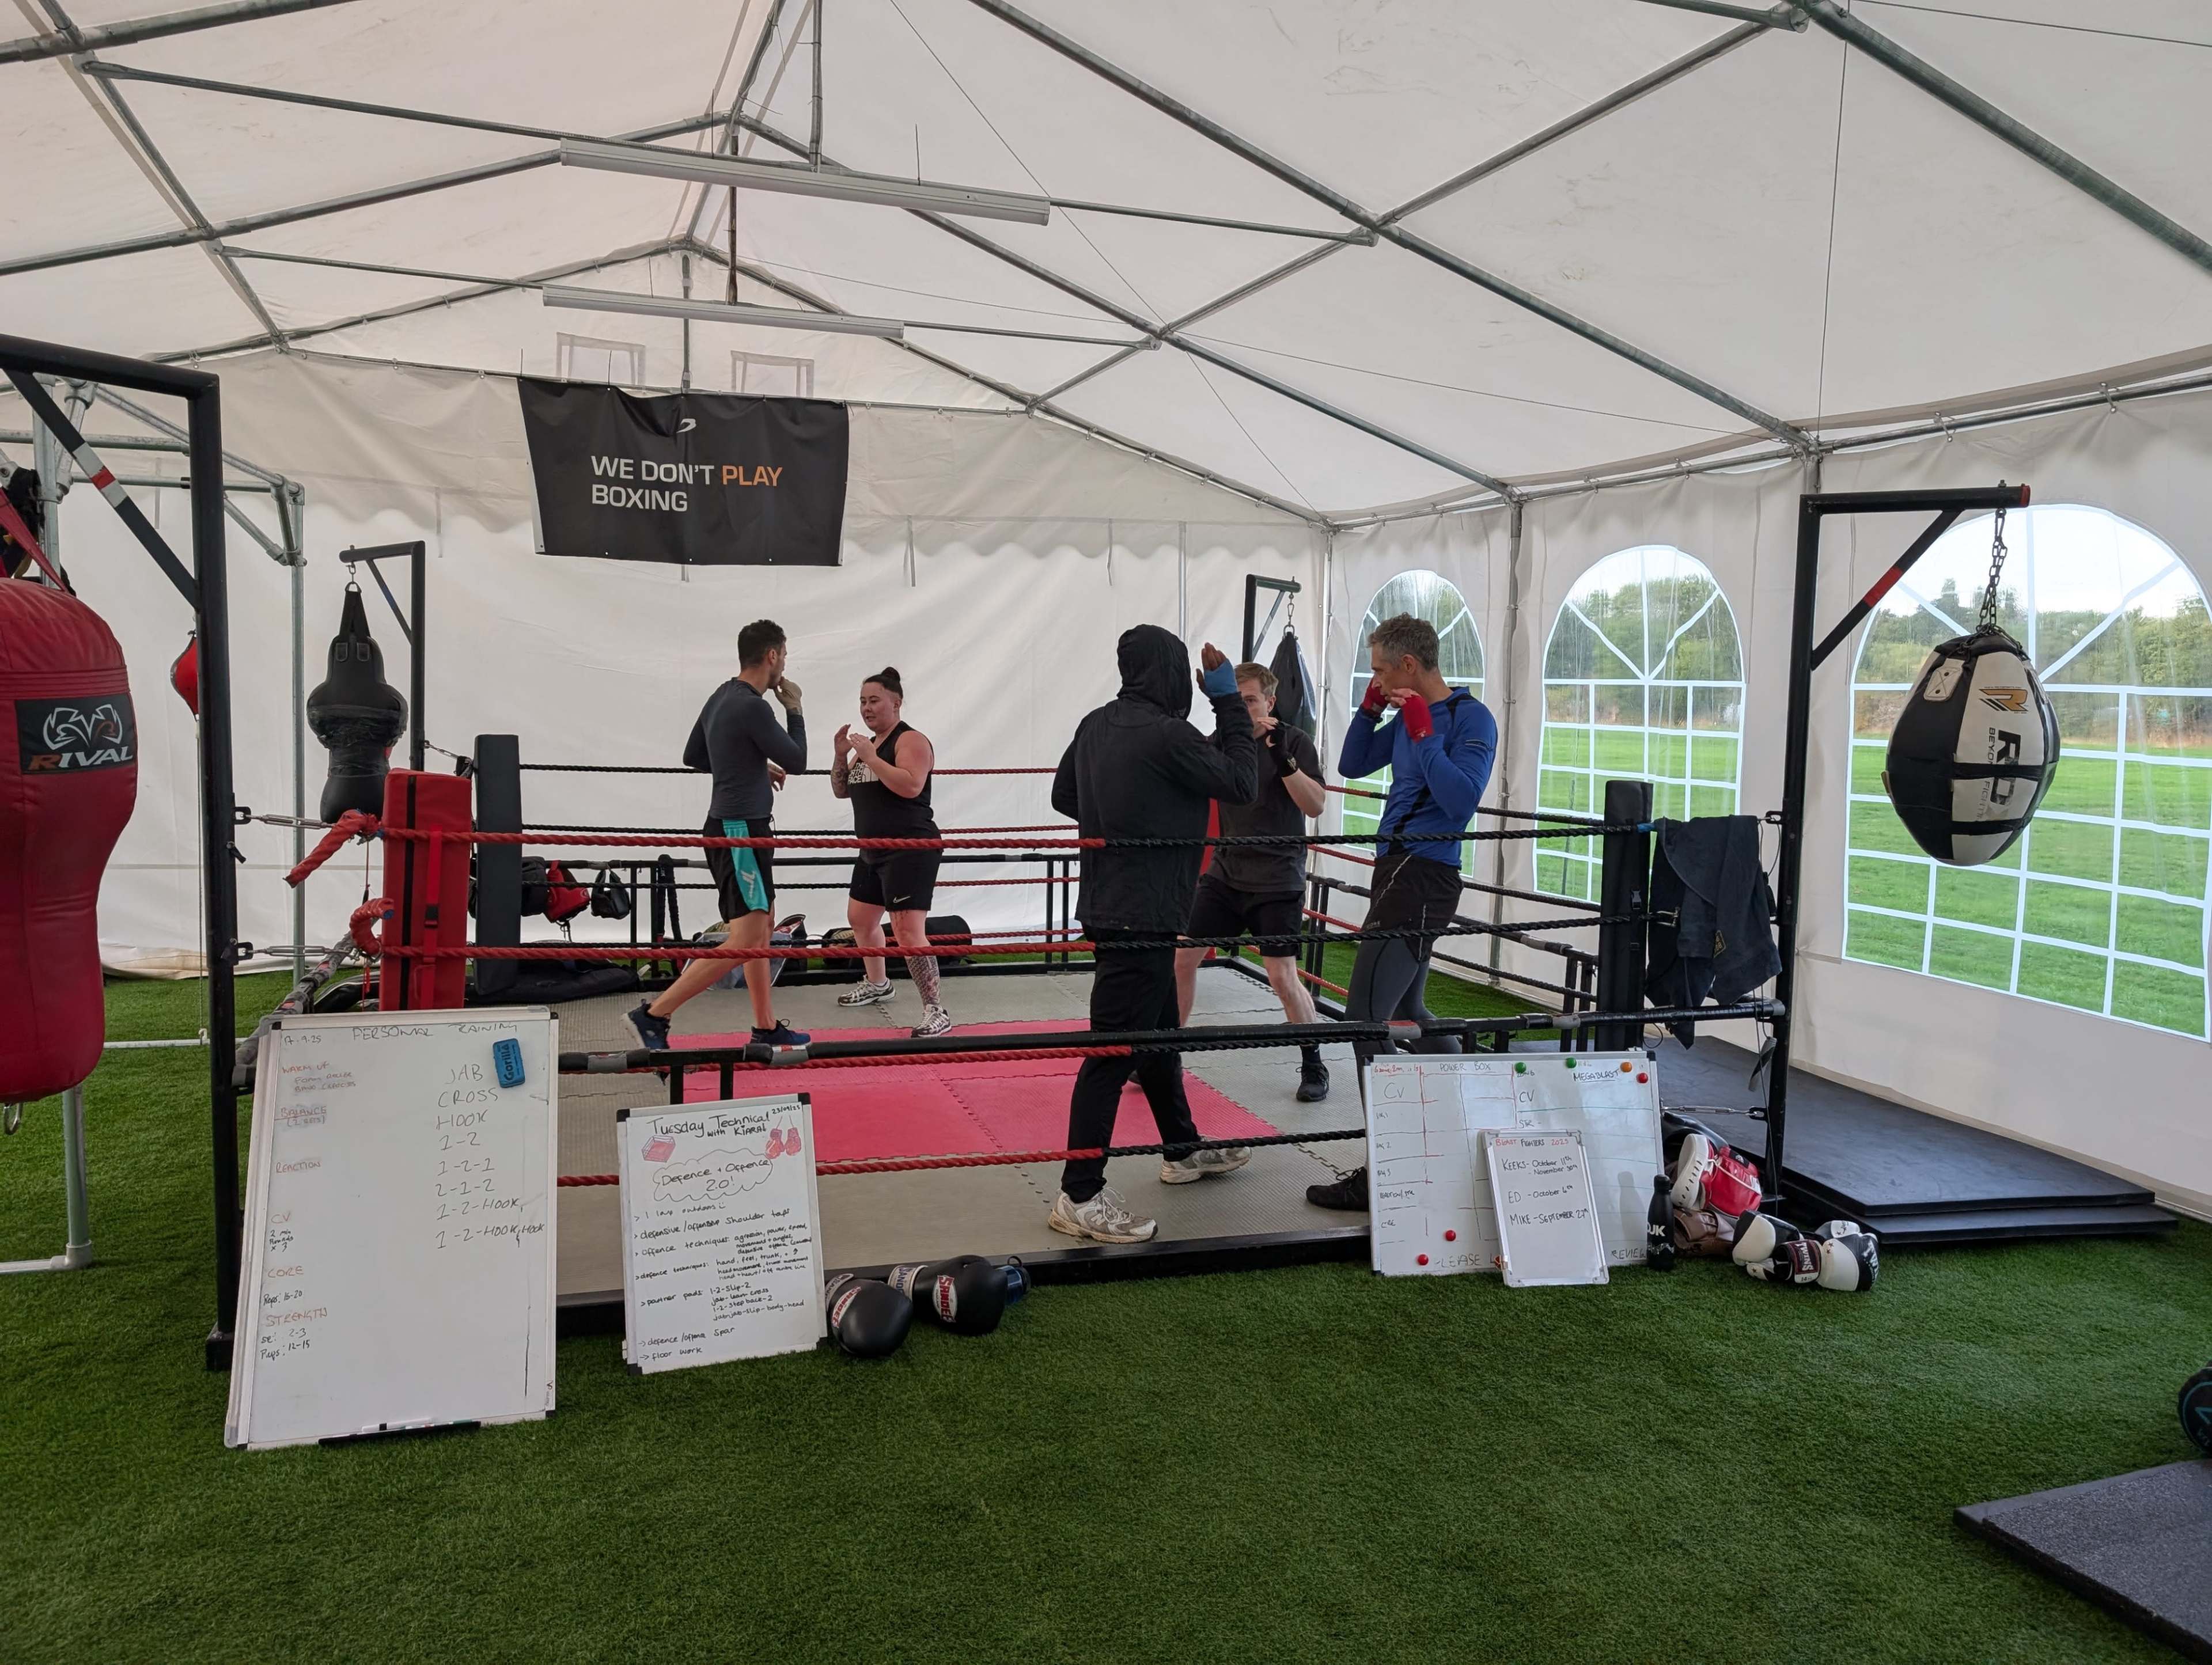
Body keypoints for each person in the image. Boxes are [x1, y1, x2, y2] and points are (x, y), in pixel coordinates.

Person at [1047, 624, 1259, 1244]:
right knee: (1111, 1053)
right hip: (1142, 911)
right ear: (1171, 672)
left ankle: (1183, 1147)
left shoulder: (1095, 724)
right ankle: (1078, 1192)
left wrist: (1128, 809)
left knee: (1159, 1035)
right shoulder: (1170, 733)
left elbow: (1065, 793)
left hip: (1119, 904)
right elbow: (1241, 782)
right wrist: (1227, 701)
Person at [1306, 612, 1498, 1211]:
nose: (1378, 676)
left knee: (1366, 1018)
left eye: (1381, 668)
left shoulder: (1471, 718)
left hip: (1426, 873)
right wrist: (1369, 712)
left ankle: (1391, 1166)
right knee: (1409, 1007)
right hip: (1394, 869)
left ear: (1409, 665)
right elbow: (1351, 765)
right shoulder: (1406, 714)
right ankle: (1470, 1122)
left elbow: (1461, 800)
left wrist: (1423, 737)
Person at [624, 619, 809, 1053]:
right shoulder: (753, 706)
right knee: (746, 938)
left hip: (740, 826)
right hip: (738, 829)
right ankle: (653, 1014)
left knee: (762, 929)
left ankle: (765, 1027)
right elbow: (798, 760)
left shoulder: (721, 696)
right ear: (773, 656)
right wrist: (795, 707)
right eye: (785, 655)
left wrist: (749, 765)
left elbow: (694, 754)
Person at [1173, 662, 1331, 1102]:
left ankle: (1313, 1062)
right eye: (1235, 700)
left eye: (1250, 700)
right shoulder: (1225, 743)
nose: (1243, 709)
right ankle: (1164, 1054)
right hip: (1226, 872)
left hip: (1277, 877)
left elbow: (1316, 805)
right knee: (1182, 958)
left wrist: (1284, 760)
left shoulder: (1294, 741)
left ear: (1270, 702)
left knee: (1282, 977)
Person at [831, 667, 952, 1038]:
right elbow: (841, 790)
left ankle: (936, 1009)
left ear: (895, 703)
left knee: (907, 930)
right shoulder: (867, 747)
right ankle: (879, 983)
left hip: (909, 848)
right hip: (873, 849)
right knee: (861, 919)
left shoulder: (910, 740)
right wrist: (841, 755)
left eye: (874, 701)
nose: (867, 709)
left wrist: (871, 757)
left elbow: (912, 786)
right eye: (863, 701)